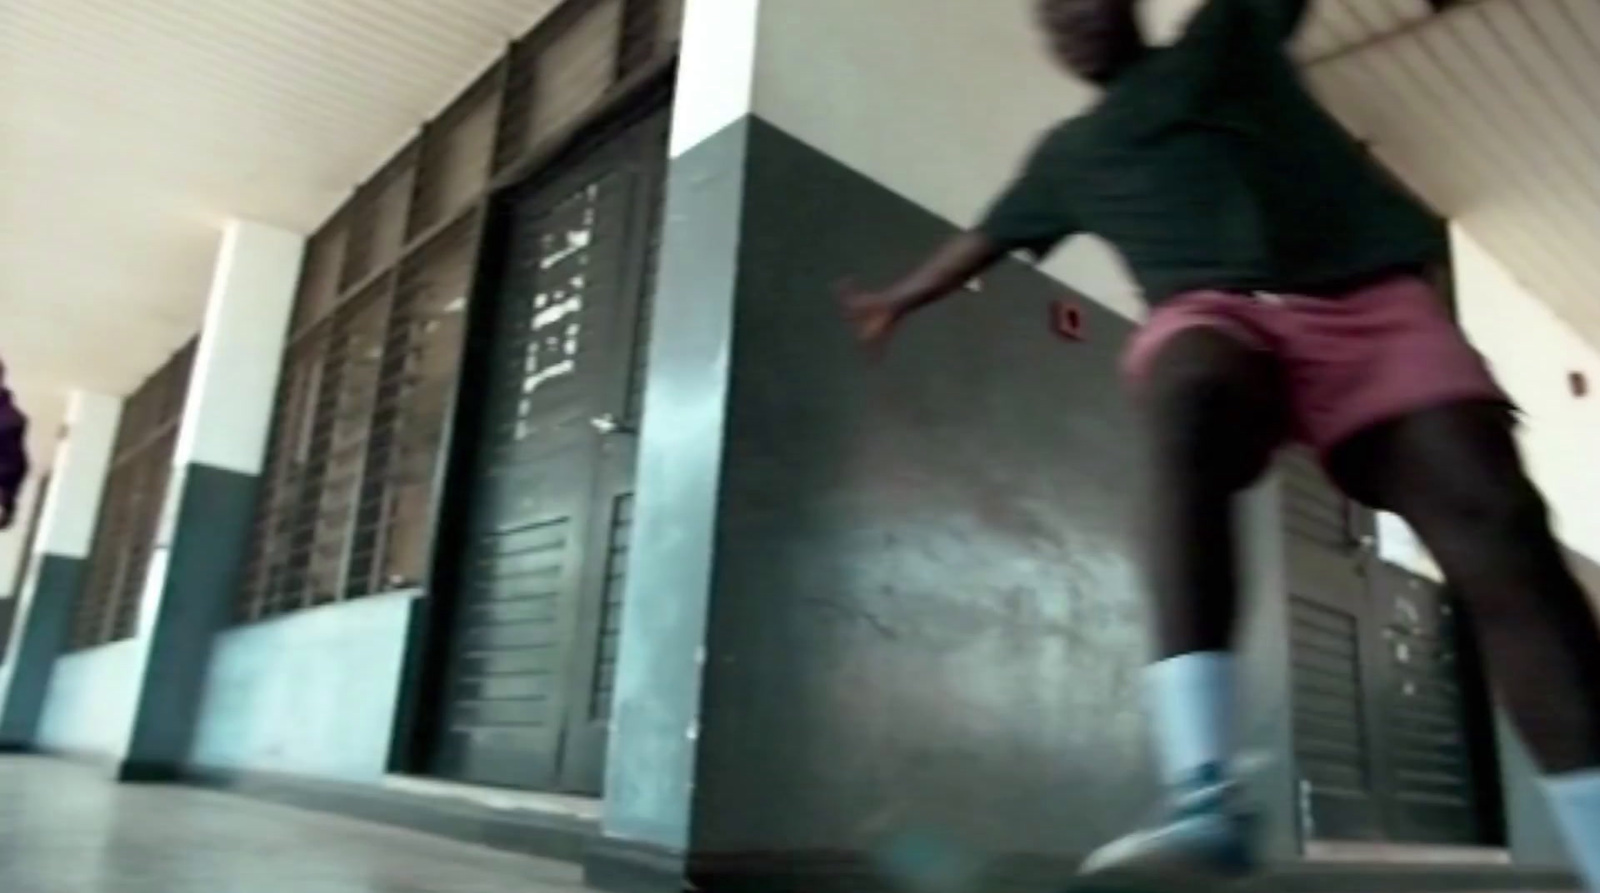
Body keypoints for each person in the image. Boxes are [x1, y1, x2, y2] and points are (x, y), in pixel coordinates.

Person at [836, 0, 1600, 884]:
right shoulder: (1067, 157)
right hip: (1214, 315)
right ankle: (1205, 796)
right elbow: (983, 239)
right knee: (1187, 386)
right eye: (1052, 16)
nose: (1071, 20)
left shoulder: (1227, 37)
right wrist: (897, 299)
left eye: (1085, 0)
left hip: (1370, 308)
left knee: (1497, 524)